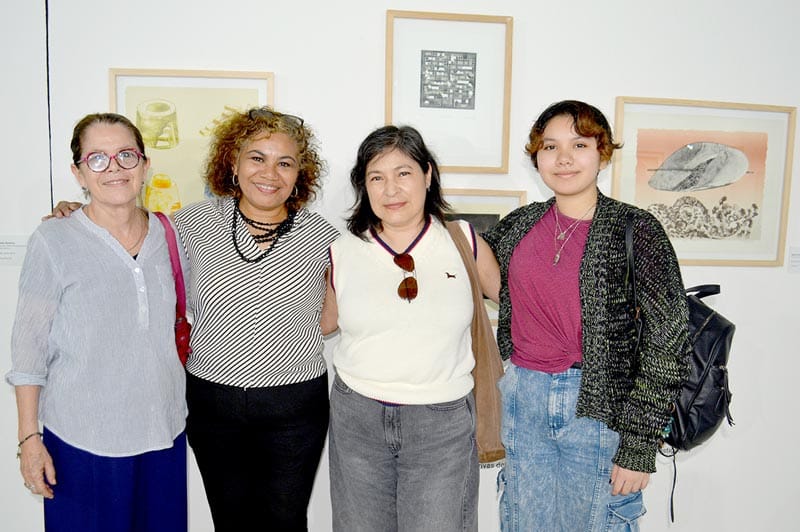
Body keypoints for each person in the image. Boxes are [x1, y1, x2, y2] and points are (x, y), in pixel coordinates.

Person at [49, 107, 339, 531]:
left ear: (299, 174)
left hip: (293, 406)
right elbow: (125, 228)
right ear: (233, 163)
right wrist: (76, 213)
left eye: (285, 163)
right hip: (212, 403)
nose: (270, 173)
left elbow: (330, 321)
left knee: (286, 521)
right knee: (230, 520)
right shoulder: (190, 223)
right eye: (257, 158)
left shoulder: (323, 236)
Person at [482, 100, 690, 531]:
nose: (563, 158)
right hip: (523, 397)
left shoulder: (636, 228)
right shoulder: (519, 225)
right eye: (550, 147)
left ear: (602, 154)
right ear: (536, 156)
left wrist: (638, 448)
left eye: (579, 145)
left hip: (599, 406)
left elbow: (668, 339)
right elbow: (466, 271)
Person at [7, 112, 189, 532]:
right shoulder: (53, 240)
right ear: (79, 173)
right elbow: (28, 350)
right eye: (97, 158)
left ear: (145, 164)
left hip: (162, 432)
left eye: (126, 155)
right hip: (82, 440)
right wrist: (29, 439)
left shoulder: (171, 235)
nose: (115, 168)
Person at [325, 125, 500, 532]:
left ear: (427, 174)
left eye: (403, 173)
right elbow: (322, 322)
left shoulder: (464, 241)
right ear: (363, 186)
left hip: (442, 422)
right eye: (376, 177)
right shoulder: (343, 250)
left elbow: (519, 304)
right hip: (357, 417)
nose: (391, 189)